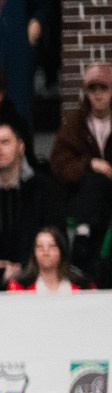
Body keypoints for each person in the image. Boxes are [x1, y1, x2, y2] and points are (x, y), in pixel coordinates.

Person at [0, 121, 61, 289]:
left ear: (20, 147)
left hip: (32, 273)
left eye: (5, 142)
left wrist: (23, 268)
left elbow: (54, 236)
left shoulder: (43, 188)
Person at [49, 61, 112, 282]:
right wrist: (90, 164)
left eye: (103, 88)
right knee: (95, 182)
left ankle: (83, 239)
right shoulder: (75, 124)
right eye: (93, 89)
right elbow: (59, 164)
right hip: (83, 195)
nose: (98, 94)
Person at [7, 225, 92, 292]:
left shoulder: (83, 286)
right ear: (34, 253)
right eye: (40, 247)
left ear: (61, 251)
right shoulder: (19, 287)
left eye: (52, 246)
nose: (46, 252)